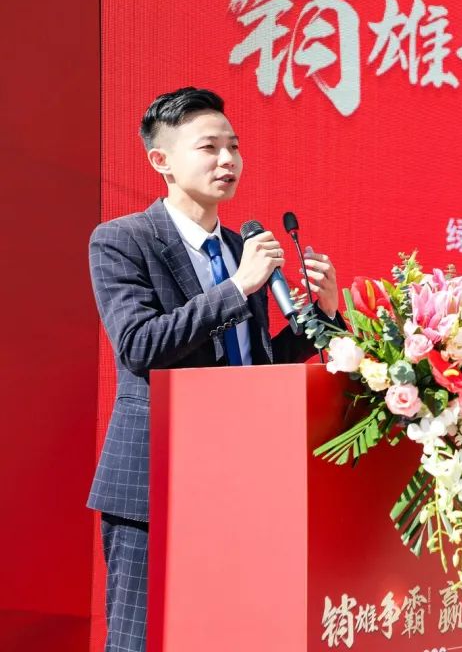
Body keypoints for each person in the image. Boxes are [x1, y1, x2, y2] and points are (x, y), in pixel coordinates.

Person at [87, 87, 341, 651]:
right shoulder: (123, 241)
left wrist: (322, 317)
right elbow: (140, 345)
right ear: (162, 160)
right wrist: (238, 287)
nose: (228, 160)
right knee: (140, 639)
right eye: (209, 147)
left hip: (242, 479)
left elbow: (255, 366)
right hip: (156, 482)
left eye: (234, 147)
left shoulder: (239, 247)